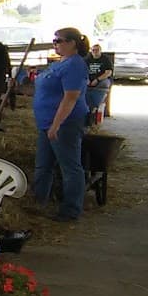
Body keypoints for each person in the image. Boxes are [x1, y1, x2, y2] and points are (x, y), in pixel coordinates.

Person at [32, 27, 90, 222]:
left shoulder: (75, 65)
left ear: (72, 43)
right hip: (46, 121)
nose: (55, 44)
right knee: (43, 166)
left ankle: (71, 209)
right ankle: (37, 203)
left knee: (69, 166)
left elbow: (71, 97)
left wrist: (56, 125)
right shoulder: (60, 63)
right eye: (54, 40)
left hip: (65, 123)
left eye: (59, 40)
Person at [85, 43, 113, 125]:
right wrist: (87, 80)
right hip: (89, 80)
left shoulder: (105, 59)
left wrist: (97, 80)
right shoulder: (87, 59)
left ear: (100, 51)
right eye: (93, 50)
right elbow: (82, 71)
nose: (95, 52)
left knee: (104, 84)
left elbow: (108, 73)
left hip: (101, 80)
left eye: (97, 50)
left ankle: (95, 105)